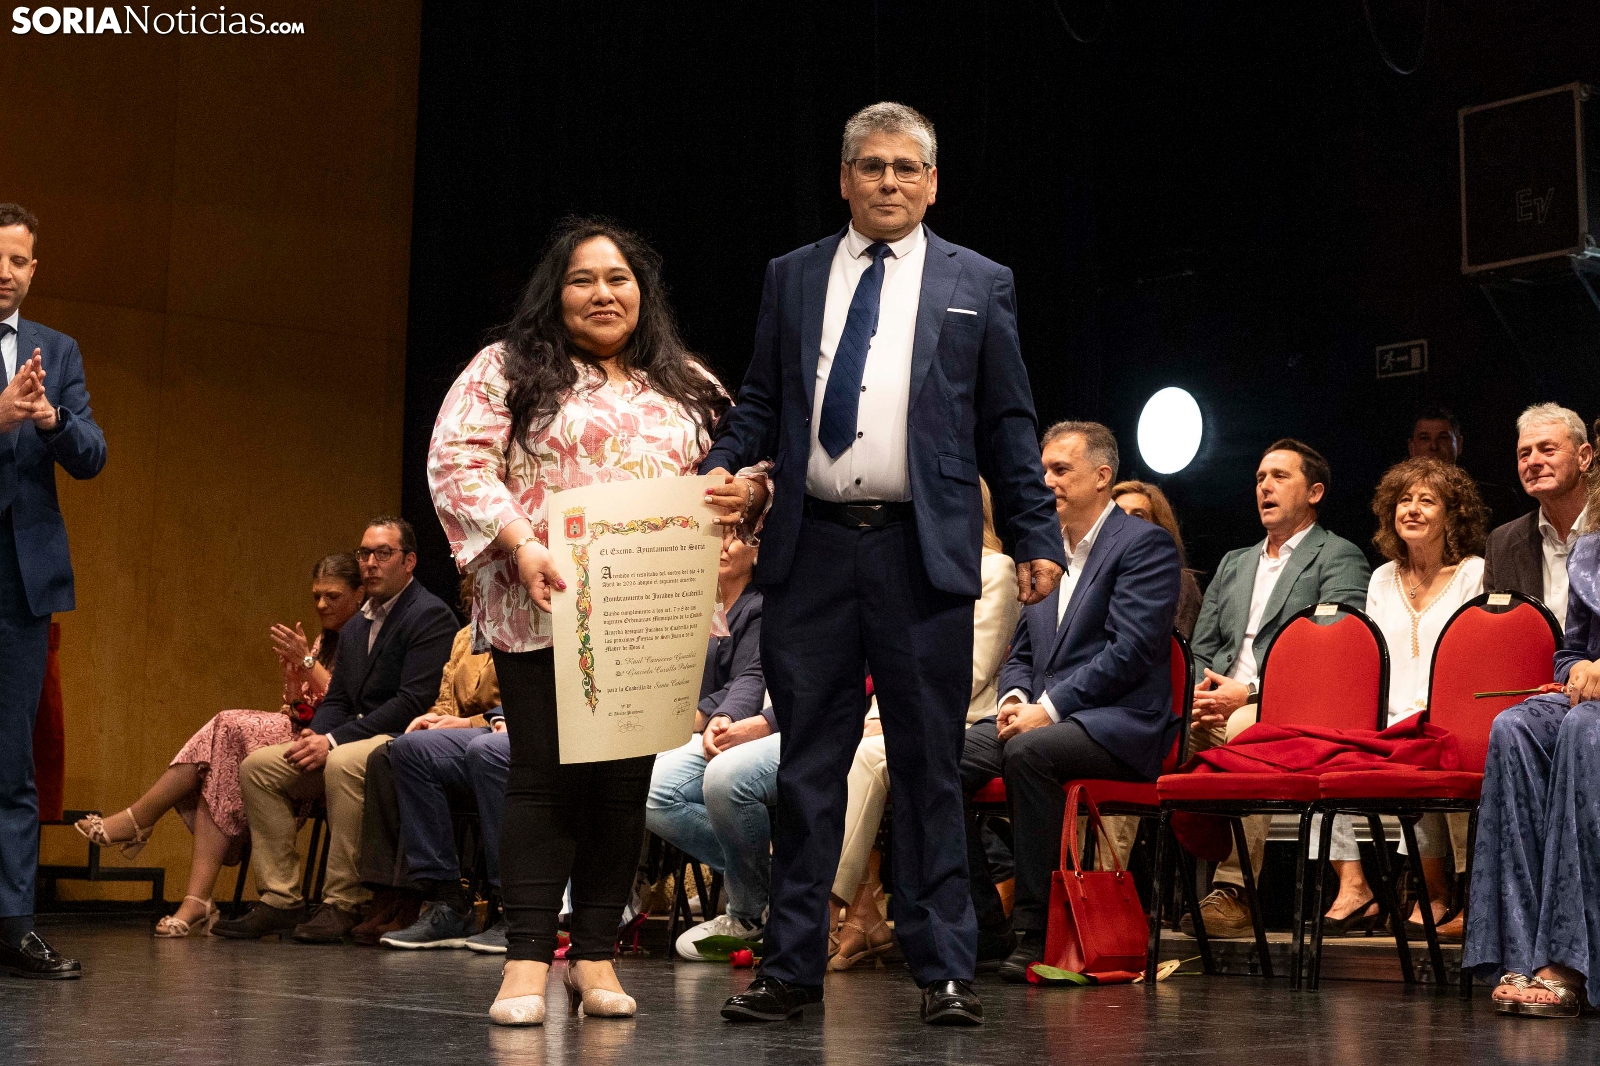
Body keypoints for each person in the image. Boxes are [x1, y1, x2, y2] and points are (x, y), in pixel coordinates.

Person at [704, 102, 1065, 1027]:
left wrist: (1035, 533)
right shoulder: (791, 275)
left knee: (927, 765)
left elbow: (1008, 421)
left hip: (921, 551)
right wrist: (721, 466)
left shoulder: (979, 281)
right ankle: (791, 968)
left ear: (933, 184)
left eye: (908, 168)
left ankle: (944, 971)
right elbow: (759, 399)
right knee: (807, 769)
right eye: (872, 166)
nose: (890, 181)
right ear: (844, 179)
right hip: (811, 550)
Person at [428, 218, 758, 1026]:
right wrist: (520, 543)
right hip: (545, 601)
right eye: (584, 279)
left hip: (652, 607)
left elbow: (748, 462)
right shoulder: (505, 366)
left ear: (643, 292)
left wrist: (744, 495)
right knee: (542, 779)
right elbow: (457, 462)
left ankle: (597, 954)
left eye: (619, 279)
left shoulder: (686, 381)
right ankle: (526, 959)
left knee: (621, 787)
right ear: (556, 291)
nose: (603, 294)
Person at [956, 422, 1180, 981]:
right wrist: (1014, 696)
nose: (1047, 481)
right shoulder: (1044, 551)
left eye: (1061, 470)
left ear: (1102, 476)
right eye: (1043, 471)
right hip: (1045, 714)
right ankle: (983, 924)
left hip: (1119, 723)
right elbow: (1022, 650)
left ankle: (1038, 929)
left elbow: (1131, 652)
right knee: (935, 758)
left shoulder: (1143, 545)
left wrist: (1049, 708)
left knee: (1029, 753)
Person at [74, 553, 364, 936]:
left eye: (333, 596)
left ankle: (143, 823)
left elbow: (351, 705)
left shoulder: (366, 635)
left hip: (340, 745)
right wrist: (295, 685)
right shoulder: (327, 639)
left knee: (226, 728)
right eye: (317, 596)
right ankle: (194, 897)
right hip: (306, 733)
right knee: (222, 759)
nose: (322, 604)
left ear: (359, 595)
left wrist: (307, 662)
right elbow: (305, 711)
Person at [212, 518, 457, 942]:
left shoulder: (429, 615)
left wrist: (332, 740)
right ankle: (281, 899)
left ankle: (343, 902)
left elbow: (412, 702)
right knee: (259, 767)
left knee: (341, 762)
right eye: (365, 553)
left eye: (383, 553)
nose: (370, 563)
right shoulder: (358, 624)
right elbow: (340, 697)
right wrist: (314, 736)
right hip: (351, 737)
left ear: (409, 562)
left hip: (405, 737)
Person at [1181, 439, 1370, 938]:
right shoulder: (1234, 562)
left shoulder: (1338, 555)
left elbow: (1336, 650)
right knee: (1154, 731)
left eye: (1280, 476)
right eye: (1260, 478)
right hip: (1216, 705)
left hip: (1290, 709)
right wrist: (1198, 696)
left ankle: (1235, 891)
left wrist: (1248, 693)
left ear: (1315, 492)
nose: (1265, 486)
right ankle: (1112, 886)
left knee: (1248, 731)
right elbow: (1201, 648)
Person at [827, 480, 1019, 971]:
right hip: (903, 712)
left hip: (967, 717)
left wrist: (895, 719)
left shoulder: (995, 568)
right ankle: (861, 909)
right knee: (837, 750)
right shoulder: (908, 573)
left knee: (871, 757)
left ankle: (825, 906)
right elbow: (889, 663)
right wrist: (878, 716)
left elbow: (973, 670)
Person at [1310, 457, 1486, 938]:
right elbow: (1372, 661)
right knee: (1320, 749)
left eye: (1427, 501)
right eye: (1404, 500)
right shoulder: (1382, 577)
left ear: (1452, 514)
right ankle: (1355, 887)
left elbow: (1474, 657)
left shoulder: (1474, 574)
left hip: (1446, 713)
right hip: (1384, 716)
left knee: (1426, 748)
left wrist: (1426, 711)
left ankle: (1438, 892)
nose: (1412, 509)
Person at [0, 203, 107, 979]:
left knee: (12, 762)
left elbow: (92, 454)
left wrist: (47, 417)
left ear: (34, 270)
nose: (4, 272)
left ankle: (13, 926)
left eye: (17, 260)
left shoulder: (57, 350)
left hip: (21, 584)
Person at [1465, 487, 1600, 1019]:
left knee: (1583, 729)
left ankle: (1570, 960)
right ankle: (1521, 952)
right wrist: (1576, 671)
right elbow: (1571, 652)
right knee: (1515, 727)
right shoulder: (1590, 551)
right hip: (1593, 699)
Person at [355, 576, 504, 949]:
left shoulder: (530, 631)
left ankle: (513, 906)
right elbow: (446, 699)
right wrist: (434, 719)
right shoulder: (466, 637)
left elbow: (528, 700)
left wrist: (470, 723)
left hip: (502, 732)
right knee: (405, 749)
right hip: (467, 735)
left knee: (484, 751)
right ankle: (444, 899)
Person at [645, 537, 769, 960]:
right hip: (679, 727)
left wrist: (700, 716)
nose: (724, 546)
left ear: (758, 549)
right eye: (718, 535)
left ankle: (755, 893)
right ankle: (760, 882)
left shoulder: (759, 606)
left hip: (731, 726)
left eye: (737, 537)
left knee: (657, 790)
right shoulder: (692, 602)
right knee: (620, 776)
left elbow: (749, 679)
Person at [1484, 404, 1593, 632]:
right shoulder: (1501, 543)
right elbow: (1498, 633)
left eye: (1547, 450)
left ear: (1583, 457)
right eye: (1524, 454)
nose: (1533, 462)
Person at [1111, 479, 1202, 639]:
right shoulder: (1087, 573)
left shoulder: (1180, 582)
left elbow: (1166, 646)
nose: (1125, 522)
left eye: (1138, 516)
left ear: (1159, 528)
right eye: (1117, 514)